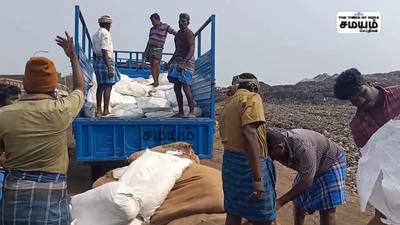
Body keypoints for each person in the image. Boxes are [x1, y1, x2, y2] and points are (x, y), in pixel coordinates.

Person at [0, 32, 85, 225]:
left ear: (26, 84)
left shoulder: (4, 114)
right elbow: (80, 88)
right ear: (53, 85)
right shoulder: (62, 109)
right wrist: (72, 56)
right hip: (51, 201)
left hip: (14, 198)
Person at [334, 68, 400, 225]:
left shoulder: (398, 94)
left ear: (368, 83)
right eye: (354, 100)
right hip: (389, 178)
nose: (361, 100)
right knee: (386, 217)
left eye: (362, 93)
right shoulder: (357, 125)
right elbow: (371, 159)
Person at [219, 73, 276, 225]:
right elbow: (249, 133)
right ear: (252, 86)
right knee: (264, 217)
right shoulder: (252, 98)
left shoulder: (229, 103)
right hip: (248, 165)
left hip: (230, 165)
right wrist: (258, 178)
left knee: (234, 212)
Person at [267, 129, 347, 225]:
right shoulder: (275, 145)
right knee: (298, 203)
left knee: (327, 209)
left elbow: (307, 182)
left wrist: (280, 202)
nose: (270, 157)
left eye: (271, 154)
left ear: (280, 147)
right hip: (313, 164)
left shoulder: (302, 148)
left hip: (331, 162)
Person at [166, 13, 196, 118]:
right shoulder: (178, 35)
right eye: (180, 21)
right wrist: (169, 63)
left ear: (188, 22)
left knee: (186, 86)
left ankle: (192, 111)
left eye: (184, 21)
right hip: (178, 62)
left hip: (187, 63)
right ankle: (181, 112)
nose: (181, 23)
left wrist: (184, 62)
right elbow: (177, 51)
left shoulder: (189, 34)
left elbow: (192, 48)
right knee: (177, 87)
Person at [92, 15, 120, 118]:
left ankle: (98, 110)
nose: (110, 26)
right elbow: (104, 50)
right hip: (105, 61)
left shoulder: (95, 35)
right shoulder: (105, 33)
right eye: (110, 24)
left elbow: (95, 52)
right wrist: (109, 67)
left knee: (100, 86)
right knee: (108, 85)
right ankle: (106, 110)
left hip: (97, 61)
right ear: (107, 24)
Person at [144, 13, 177, 87]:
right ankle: (155, 81)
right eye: (151, 21)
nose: (152, 23)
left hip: (158, 48)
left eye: (153, 21)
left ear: (158, 19)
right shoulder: (152, 29)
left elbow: (173, 32)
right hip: (150, 48)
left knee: (156, 63)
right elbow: (149, 40)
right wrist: (145, 51)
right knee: (152, 64)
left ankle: (157, 81)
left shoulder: (165, 26)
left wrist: (181, 36)